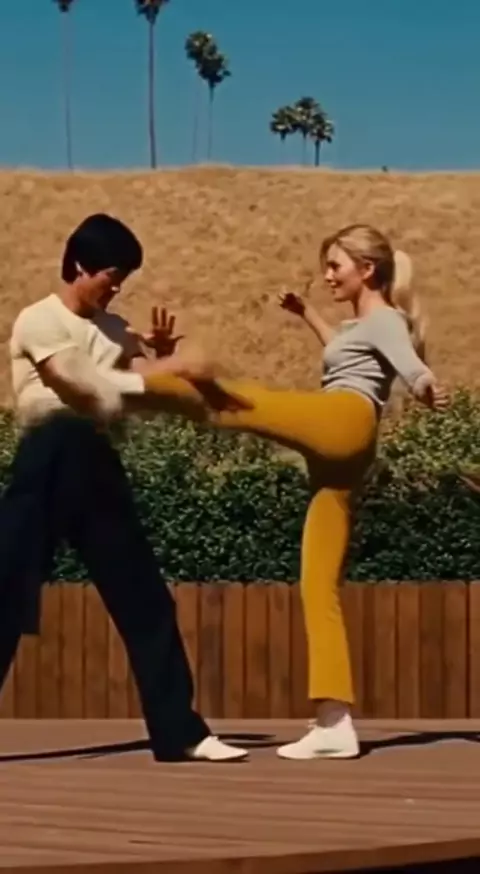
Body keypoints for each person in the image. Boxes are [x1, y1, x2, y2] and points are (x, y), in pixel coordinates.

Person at [130, 223, 449, 760]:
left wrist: (424, 387)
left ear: (366, 269)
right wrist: (306, 314)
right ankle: (334, 724)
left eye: (336, 266)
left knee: (235, 401)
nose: (328, 275)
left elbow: (410, 365)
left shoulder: (385, 320)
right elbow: (342, 350)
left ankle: (124, 382)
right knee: (317, 585)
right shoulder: (358, 326)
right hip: (344, 451)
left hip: (344, 420)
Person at [2, 212, 248, 763]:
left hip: (96, 461)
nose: (116, 289)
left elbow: (139, 372)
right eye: (111, 276)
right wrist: (168, 369)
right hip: (48, 453)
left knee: (145, 599)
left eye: (124, 280)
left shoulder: (115, 329)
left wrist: (159, 355)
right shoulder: (39, 320)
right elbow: (82, 387)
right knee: (6, 596)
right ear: (80, 265)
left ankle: (181, 733)